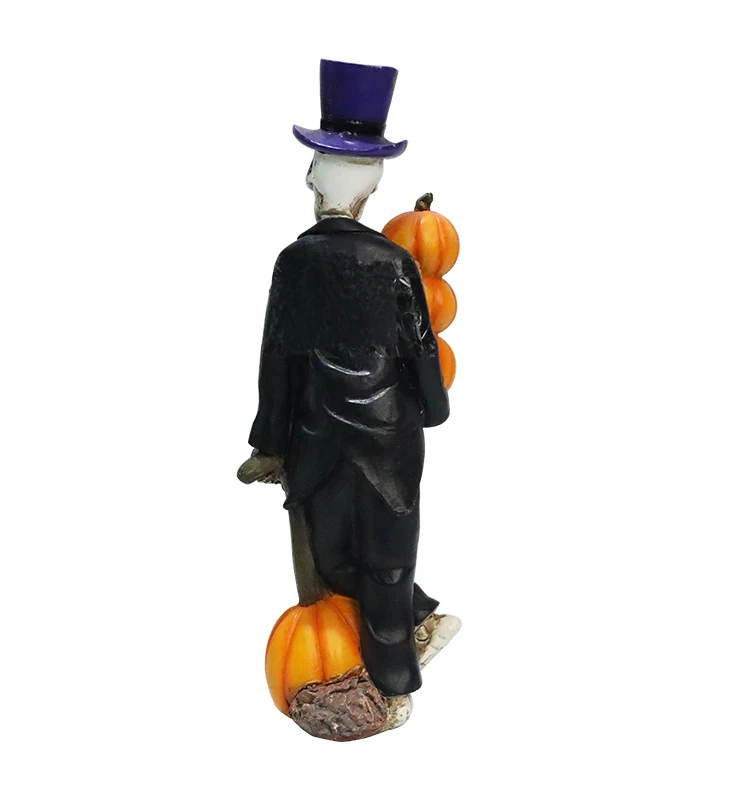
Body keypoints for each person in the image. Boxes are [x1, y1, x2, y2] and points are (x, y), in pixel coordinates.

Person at [240, 59, 452, 697]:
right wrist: (435, 406)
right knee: (388, 558)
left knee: (332, 557)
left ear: (315, 177)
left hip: (320, 437)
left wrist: (269, 440)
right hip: (390, 437)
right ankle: (397, 670)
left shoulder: (294, 261)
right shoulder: (395, 261)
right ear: (372, 186)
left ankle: (394, 667)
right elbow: (420, 347)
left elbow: (277, 360)